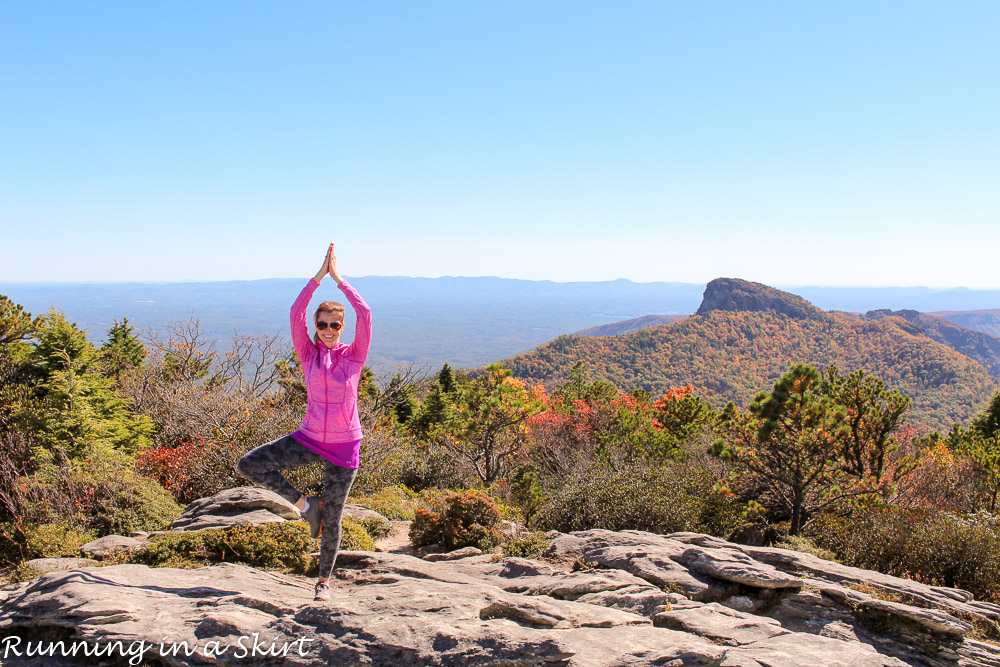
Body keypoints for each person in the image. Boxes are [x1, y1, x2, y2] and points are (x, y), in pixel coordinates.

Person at [236, 243, 372, 602]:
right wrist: (318, 277)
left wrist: (340, 280)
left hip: (345, 446)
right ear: (317, 325)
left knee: (334, 518)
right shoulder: (308, 354)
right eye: (323, 324)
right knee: (249, 465)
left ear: (343, 327)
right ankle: (306, 506)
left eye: (335, 325)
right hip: (310, 438)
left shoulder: (354, 356)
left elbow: (367, 313)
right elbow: (296, 311)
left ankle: (323, 583)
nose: (328, 329)